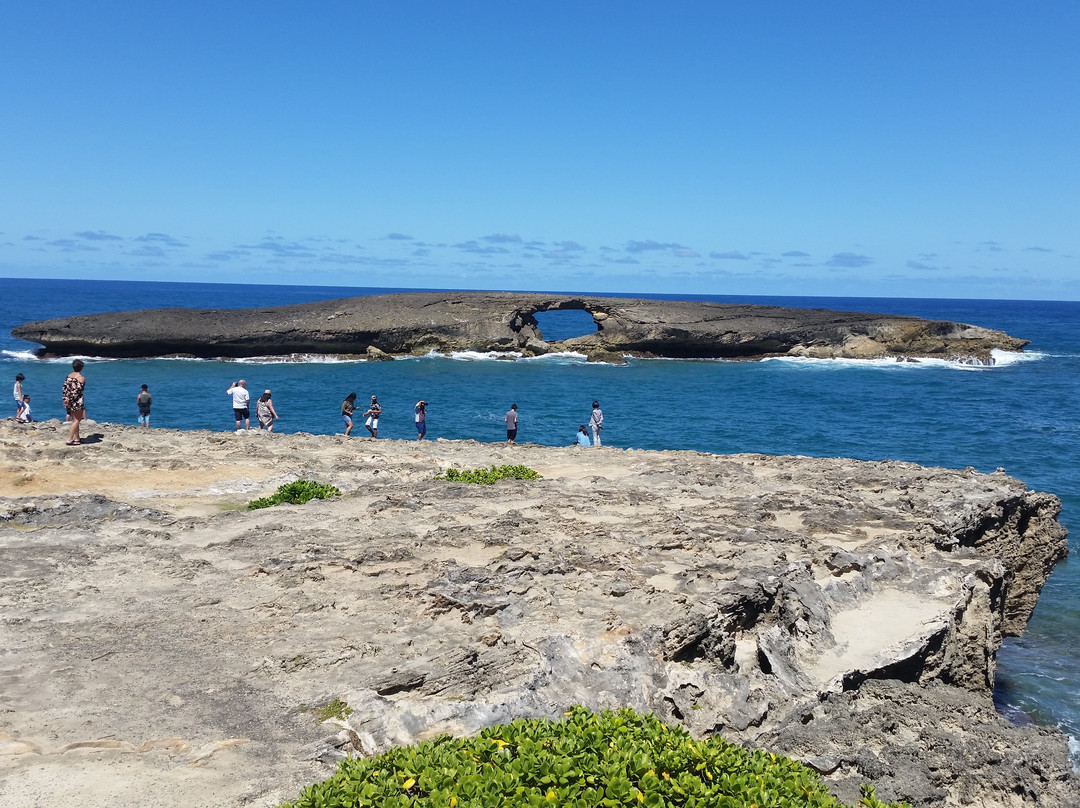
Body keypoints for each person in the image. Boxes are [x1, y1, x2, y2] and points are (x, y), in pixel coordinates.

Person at [61, 359, 86, 445]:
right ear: (81, 368)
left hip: (68, 401)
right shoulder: (81, 378)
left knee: (74, 420)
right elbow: (77, 392)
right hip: (77, 402)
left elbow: (64, 389)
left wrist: (66, 399)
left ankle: (77, 438)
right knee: (77, 421)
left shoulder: (68, 376)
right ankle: (69, 438)